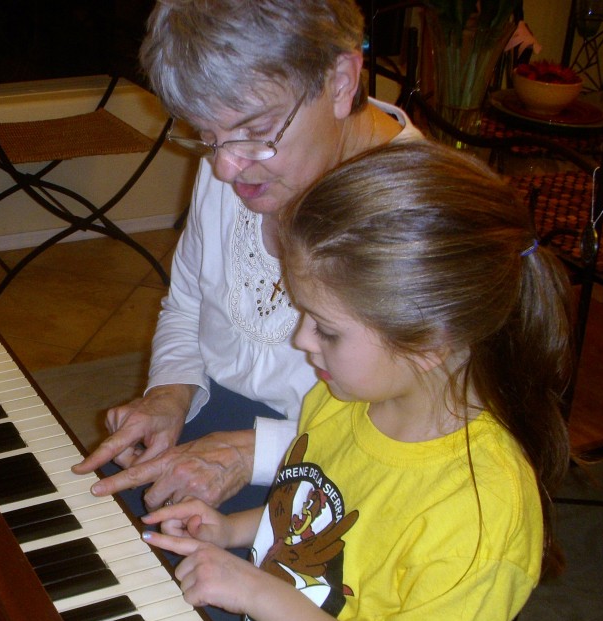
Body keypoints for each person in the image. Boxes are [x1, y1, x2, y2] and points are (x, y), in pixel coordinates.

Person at [140, 141, 573, 621]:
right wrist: (232, 528)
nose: (300, 339)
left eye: (327, 328)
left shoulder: (481, 507)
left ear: (429, 341)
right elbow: (310, 516)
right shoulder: (340, 399)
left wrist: (259, 595)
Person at [72, 0, 423, 522]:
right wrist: (170, 393)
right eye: (207, 136)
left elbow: (417, 435)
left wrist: (245, 453)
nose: (225, 167)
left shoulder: (422, 216)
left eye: (254, 133)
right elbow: (187, 304)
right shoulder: (234, 162)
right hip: (208, 426)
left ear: (342, 80)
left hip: (342, 476)